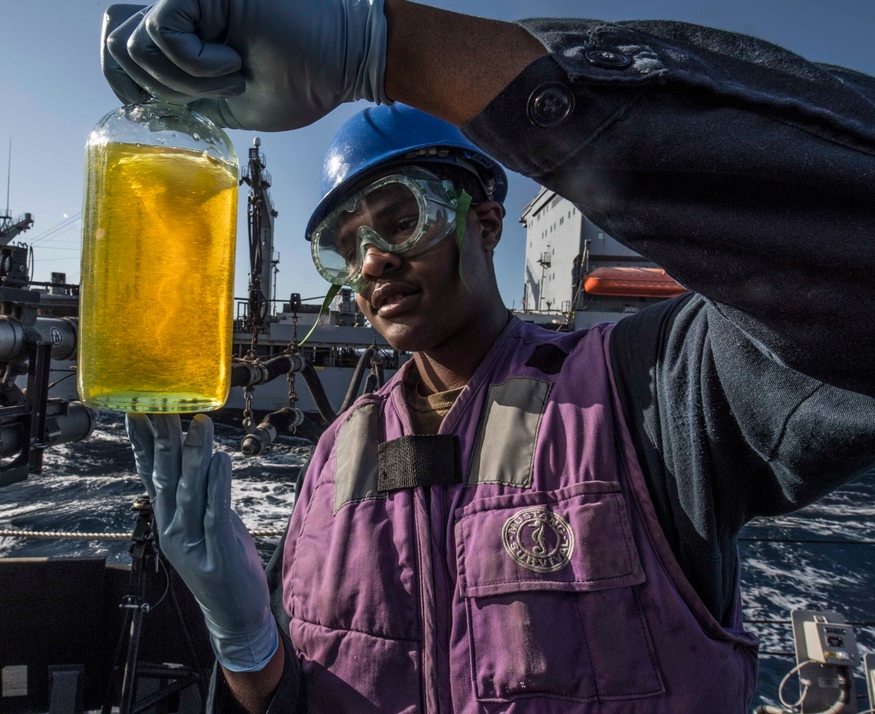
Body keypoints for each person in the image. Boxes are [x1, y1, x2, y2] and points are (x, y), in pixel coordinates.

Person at [107, 1, 875, 711]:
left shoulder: (648, 394)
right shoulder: (335, 458)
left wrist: (389, 45)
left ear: (486, 221)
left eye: (400, 220)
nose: (371, 261)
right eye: (345, 248)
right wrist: (247, 644)